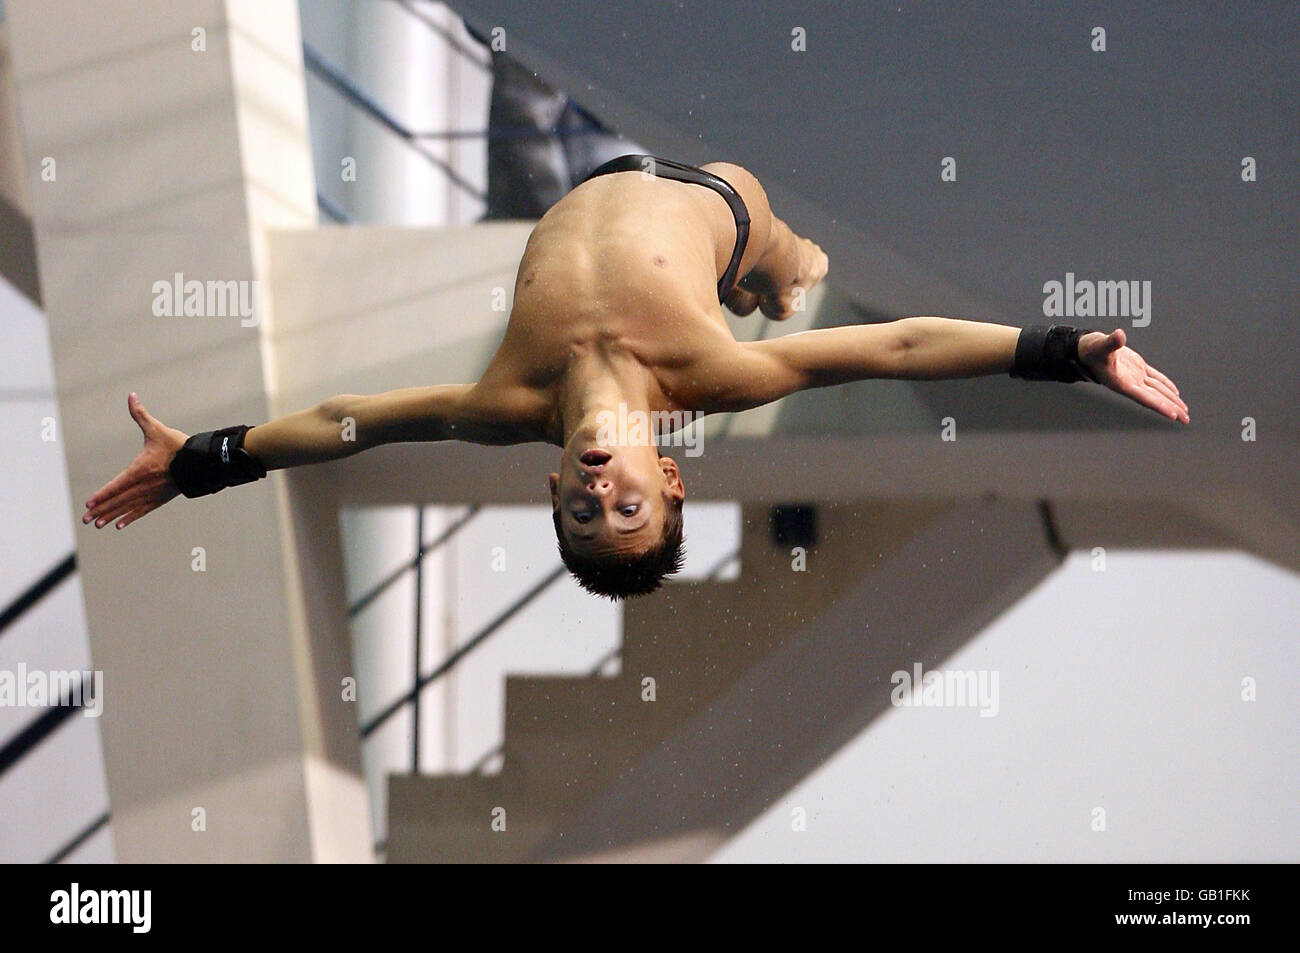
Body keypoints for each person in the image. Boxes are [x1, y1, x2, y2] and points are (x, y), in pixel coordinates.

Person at [82, 154, 1189, 599]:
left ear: (550, 486)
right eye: (625, 505)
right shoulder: (713, 381)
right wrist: (1064, 349)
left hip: (592, 185)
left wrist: (203, 461)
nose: (595, 486)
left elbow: (345, 421)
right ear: (670, 478)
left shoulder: (501, 410)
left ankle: (772, 279)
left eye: (580, 508)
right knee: (785, 278)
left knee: (766, 297)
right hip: (720, 202)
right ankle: (781, 270)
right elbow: (897, 346)